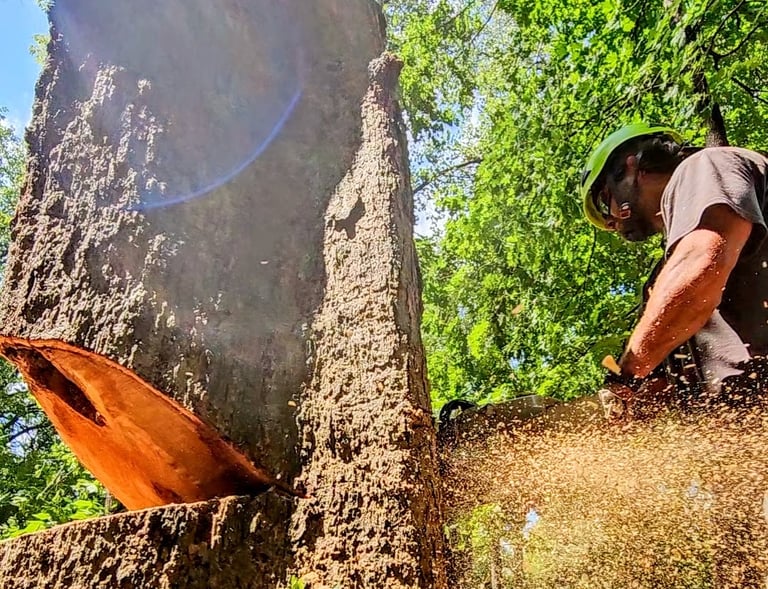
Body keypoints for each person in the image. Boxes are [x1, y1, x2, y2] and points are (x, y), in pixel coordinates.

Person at [580, 122, 768, 413]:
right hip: (742, 426)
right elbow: (660, 384)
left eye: (606, 202)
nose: (611, 222)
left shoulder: (704, 167)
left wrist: (626, 375)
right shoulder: (665, 281)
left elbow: (701, 268)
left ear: (630, 167)